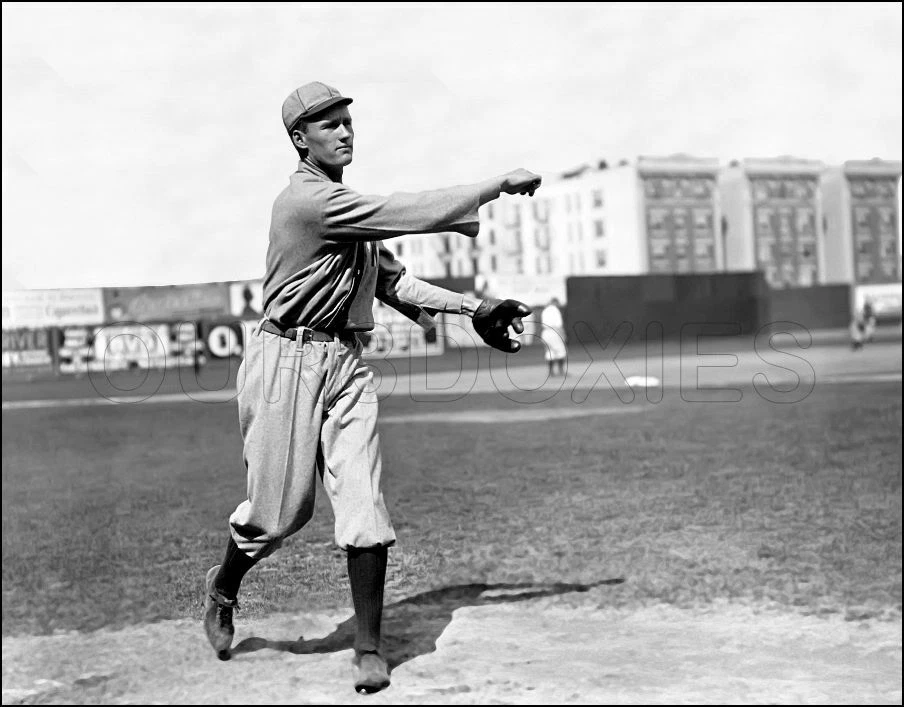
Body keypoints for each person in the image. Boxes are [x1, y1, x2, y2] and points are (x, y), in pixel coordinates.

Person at [202, 81, 541, 694]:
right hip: (285, 361)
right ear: (300, 140)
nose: (344, 131)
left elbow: (395, 285)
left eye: (347, 121)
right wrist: (493, 186)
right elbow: (406, 212)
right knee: (279, 515)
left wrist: (476, 308)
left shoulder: (345, 210)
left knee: (363, 503)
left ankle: (368, 647)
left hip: (345, 364)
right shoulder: (306, 204)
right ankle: (225, 586)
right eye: (328, 124)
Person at [539, 297, 567, 376]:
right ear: (555, 302)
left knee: (550, 352)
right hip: (554, 332)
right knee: (561, 351)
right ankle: (561, 371)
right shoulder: (555, 310)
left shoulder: (545, 310)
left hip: (545, 332)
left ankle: (551, 372)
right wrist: (563, 335)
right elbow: (558, 325)